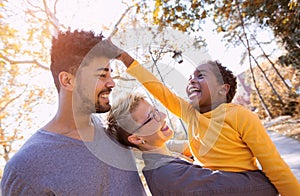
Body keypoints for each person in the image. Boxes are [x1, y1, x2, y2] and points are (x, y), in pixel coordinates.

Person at [111, 44, 300, 195]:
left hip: (241, 183)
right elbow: (161, 91)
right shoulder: (190, 113)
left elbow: (275, 166)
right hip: (213, 184)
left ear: (222, 89)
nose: (192, 80)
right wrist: (127, 60)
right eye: (191, 77)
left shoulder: (240, 116)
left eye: (201, 76)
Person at [1, 30, 146, 195]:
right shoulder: (25, 168)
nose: (112, 83)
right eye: (102, 75)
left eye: (110, 74)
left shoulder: (113, 129)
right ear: (68, 81)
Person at [107, 93, 278, 195]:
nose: (163, 116)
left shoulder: (168, 160)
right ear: (137, 139)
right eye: (152, 117)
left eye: (157, 110)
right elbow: (262, 188)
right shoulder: (169, 175)